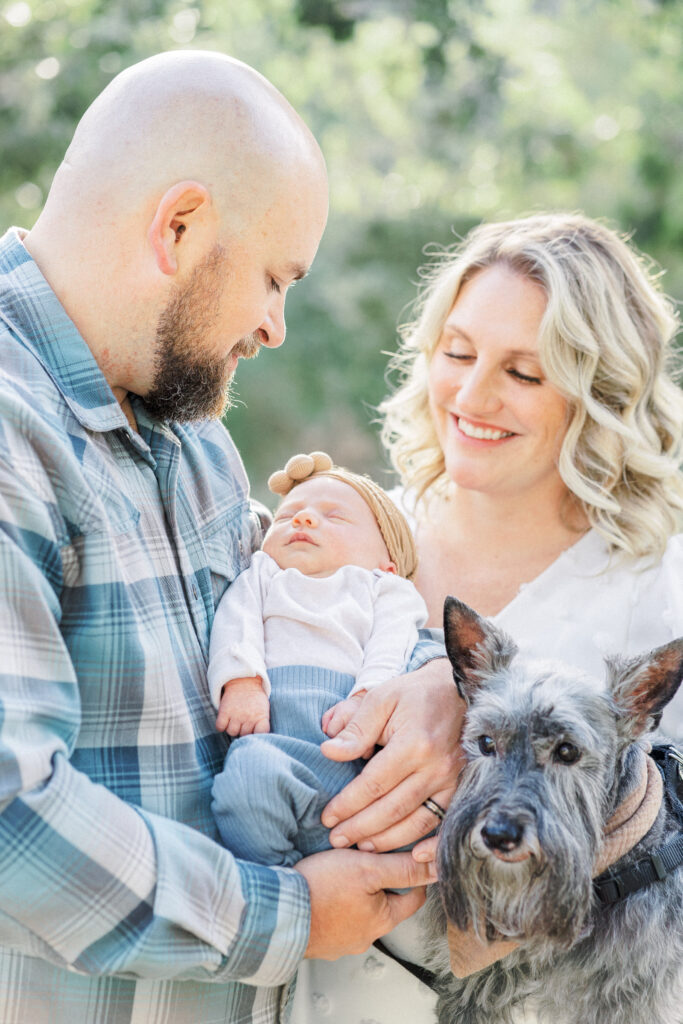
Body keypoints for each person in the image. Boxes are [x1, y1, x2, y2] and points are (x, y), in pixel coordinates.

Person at [0, 51, 459, 1024]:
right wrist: (284, 918)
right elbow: (10, 815)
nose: (276, 325)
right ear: (177, 227)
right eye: (272, 278)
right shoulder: (13, 437)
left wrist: (425, 678)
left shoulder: (187, 434)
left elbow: (290, 577)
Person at [292, 212, 683, 1022]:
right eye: (458, 353)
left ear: (600, 393)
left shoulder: (659, 586)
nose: (471, 396)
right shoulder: (355, 542)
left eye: (525, 374)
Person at [208, 451, 428, 866]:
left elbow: (394, 643)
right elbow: (236, 623)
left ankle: (379, 885)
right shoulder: (262, 575)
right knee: (246, 783)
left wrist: (368, 696)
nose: (304, 520)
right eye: (289, 513)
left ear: (389, 562)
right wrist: (243, 682)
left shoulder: (384, 588)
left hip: (361, 760)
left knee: (417, 811)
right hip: (277, 751)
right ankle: (287, 880)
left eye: (335, 517)